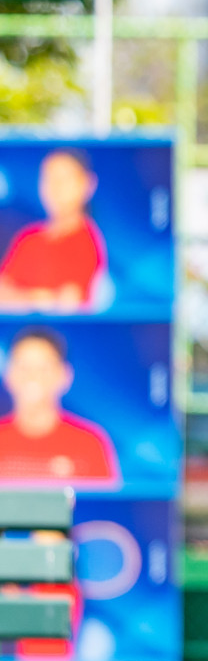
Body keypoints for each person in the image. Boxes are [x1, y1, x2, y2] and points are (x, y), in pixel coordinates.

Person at [0, 327, 118, 481]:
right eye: (24, 367)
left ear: (64, 375)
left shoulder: (89, 443)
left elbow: (104, 504)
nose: (33, 376)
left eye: (44, 368)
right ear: (9, 375)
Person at [0, 149, 108, 311]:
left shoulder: (88, 242)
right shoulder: (28, 238)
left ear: (87, 184)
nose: (55, 188)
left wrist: (24, 298)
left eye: (64, 179)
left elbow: (67, 304)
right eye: (48, 179)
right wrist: (37, 298)